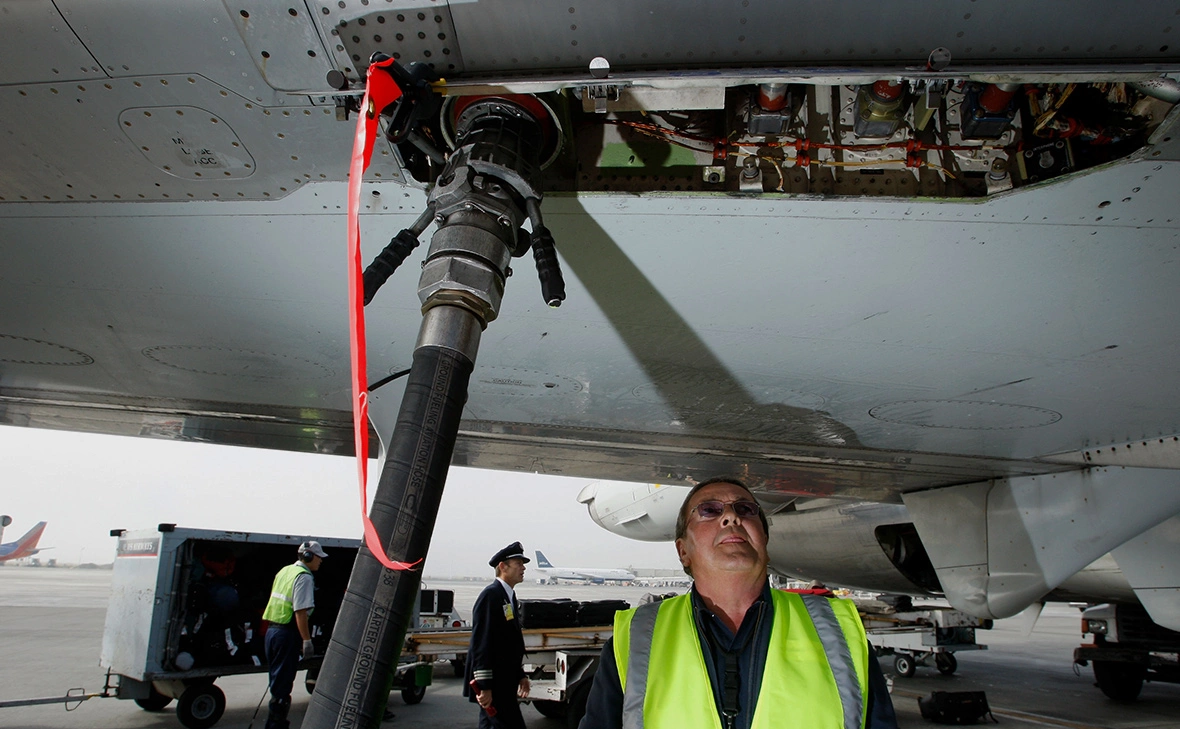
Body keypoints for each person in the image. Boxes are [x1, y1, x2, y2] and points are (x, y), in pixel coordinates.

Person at [579, 478, 899, 729]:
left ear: (765, 542)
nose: (731, 516)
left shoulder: (838, 634)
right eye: (709, 510)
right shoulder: (637, 640)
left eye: (745, 510)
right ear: (683, 551)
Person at [463, 542, 532, 729]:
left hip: (505, 682)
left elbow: (508, 642)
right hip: (496, 683)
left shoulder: (507, 596)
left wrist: (520, 675)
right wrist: (484, 685)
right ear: (503, 566)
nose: (523, 568)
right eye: (518, 563)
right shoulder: (491, 596)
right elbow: (482, 643)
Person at [262, 540, 327, 729]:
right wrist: (307, 640)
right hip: (286, 633)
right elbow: (300, 612)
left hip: (272, 632)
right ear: (308, 556)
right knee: (282, 685)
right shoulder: (304, 577)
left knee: (276, 681)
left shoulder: (285, 571)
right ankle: (276, 725)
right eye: (319, 557)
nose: (321, 561)